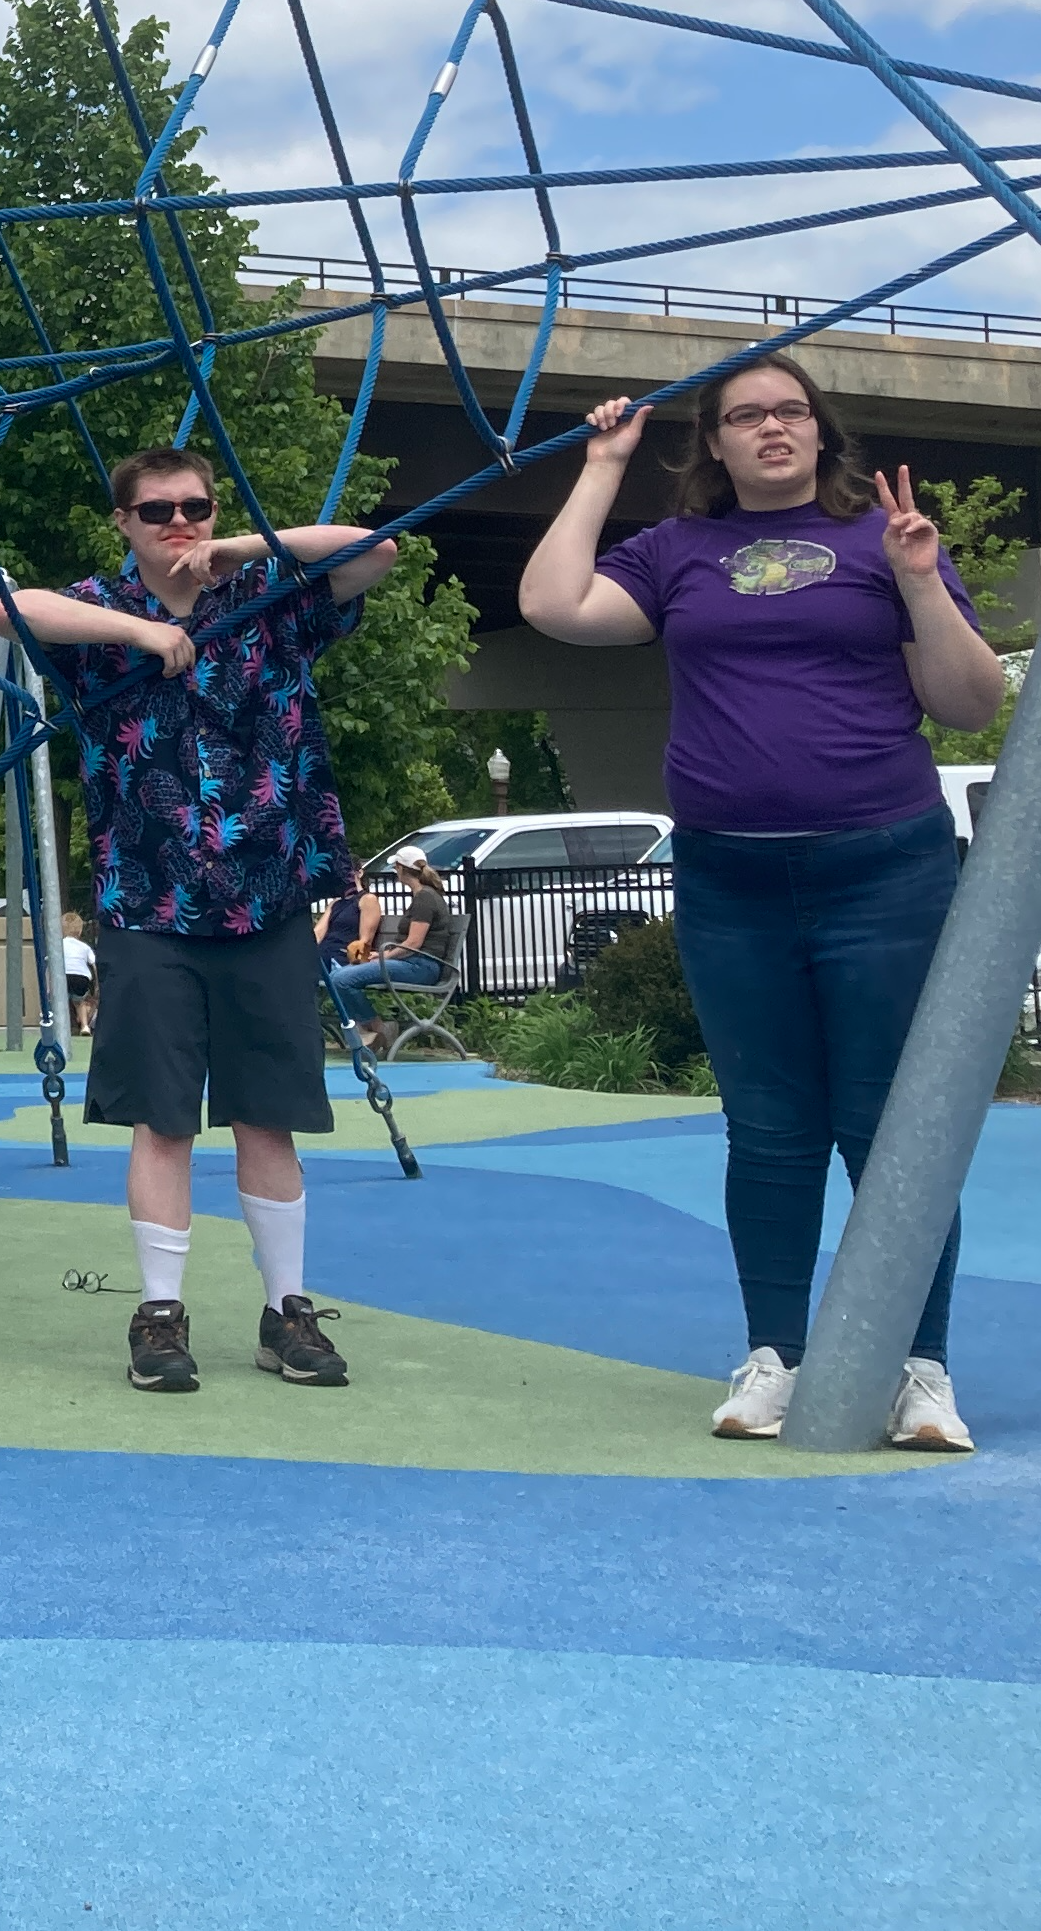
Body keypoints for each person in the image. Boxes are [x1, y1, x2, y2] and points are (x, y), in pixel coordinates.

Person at [519, 354, 999, 1453]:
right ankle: (775, 1356)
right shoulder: (677, 552)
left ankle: (917, 1369)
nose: (773, 429)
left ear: (821, 434)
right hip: (732, 877)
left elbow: (968, 707)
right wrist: (601, 467)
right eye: (747, 417)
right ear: (717, 444)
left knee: (894, 1132)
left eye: (791, 412)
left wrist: (921, 579)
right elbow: (552, 604)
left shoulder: (886, 542)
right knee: (771, 1130)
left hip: (884, 867)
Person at [0, 448, 399, 1394]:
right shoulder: (100, 611)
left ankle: (287, 1309)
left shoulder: (265, 595)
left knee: (269, 1114)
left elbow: (374, 552)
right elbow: (7, 609)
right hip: (149, 899)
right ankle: (160, 1310)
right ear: (123, 522)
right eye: (158, 510)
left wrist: (236, 547)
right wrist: (137, 633)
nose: (180, 522)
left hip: (267, 892)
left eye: (197, 507)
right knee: (161, 1119)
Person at [327, 859, 449, 1057]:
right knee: (340, 976)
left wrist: (384, 956)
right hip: (410, 963)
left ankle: (378, 1028)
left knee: (342, 978)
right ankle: (376, 1028)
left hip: (421, 966)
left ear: (402, 869)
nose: (395, 871)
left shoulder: (425, 898)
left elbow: (414, 944)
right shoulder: (422, 895)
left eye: (396, 867)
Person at [61, 911, 98, 1039]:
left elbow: (51, 964)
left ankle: (60, 1027)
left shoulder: (58, 945)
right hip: (81, 977)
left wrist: (49, 985)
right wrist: (97, 982)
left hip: (63, 976)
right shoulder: (84, 946)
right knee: (80, 1002)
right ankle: (85, 1026)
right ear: (80, 931)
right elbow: (94, 963)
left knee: (61, 1002)